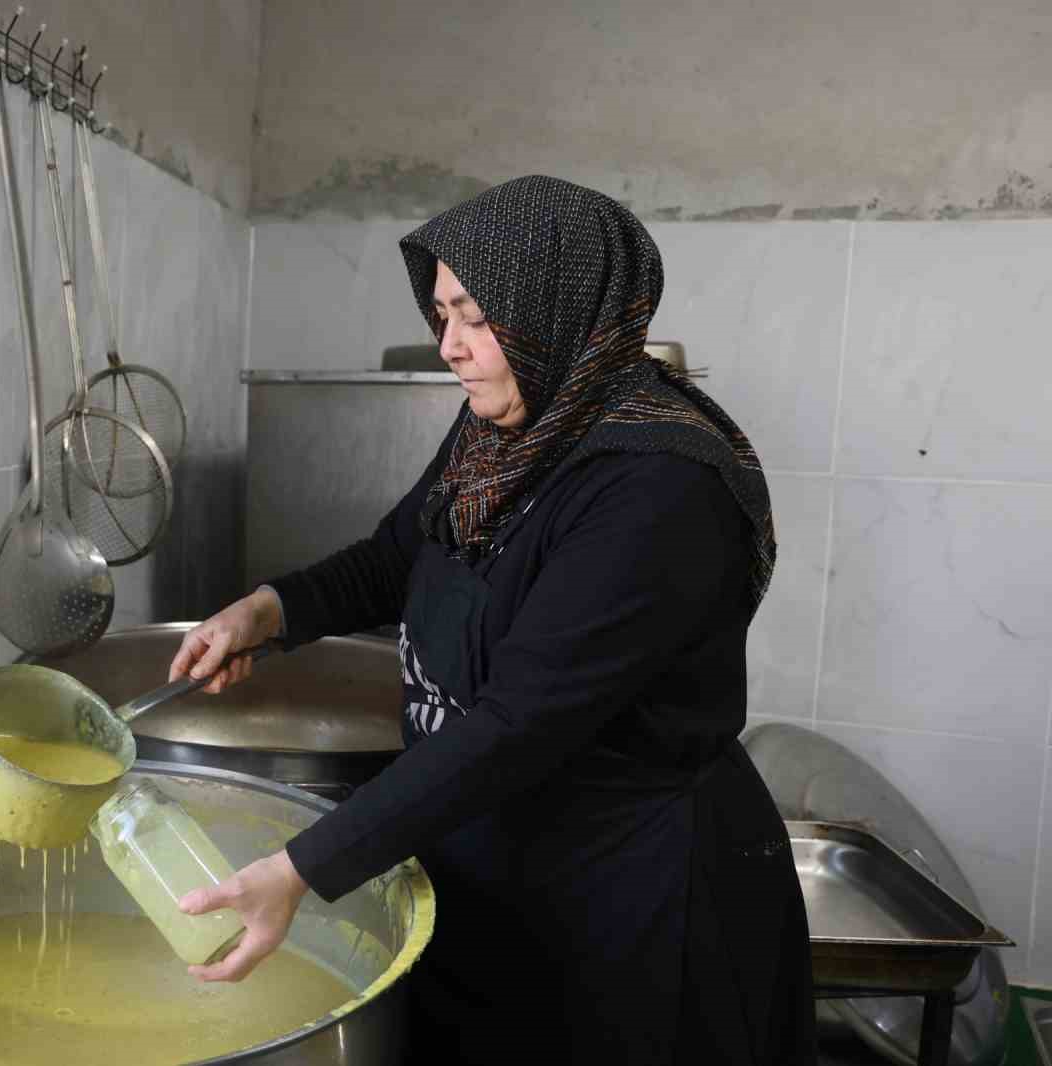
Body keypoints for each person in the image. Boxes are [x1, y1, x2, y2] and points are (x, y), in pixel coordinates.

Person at [168, 175, 815, 1063]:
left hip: (630, 901)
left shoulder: (658, 483)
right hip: (500, 861)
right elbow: (398, 554)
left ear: (554, 304)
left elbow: (522, 723)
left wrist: (302, 870)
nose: (452, 347)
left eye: (476, 316)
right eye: (442, 316)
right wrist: (267, 611)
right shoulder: (506, 428)